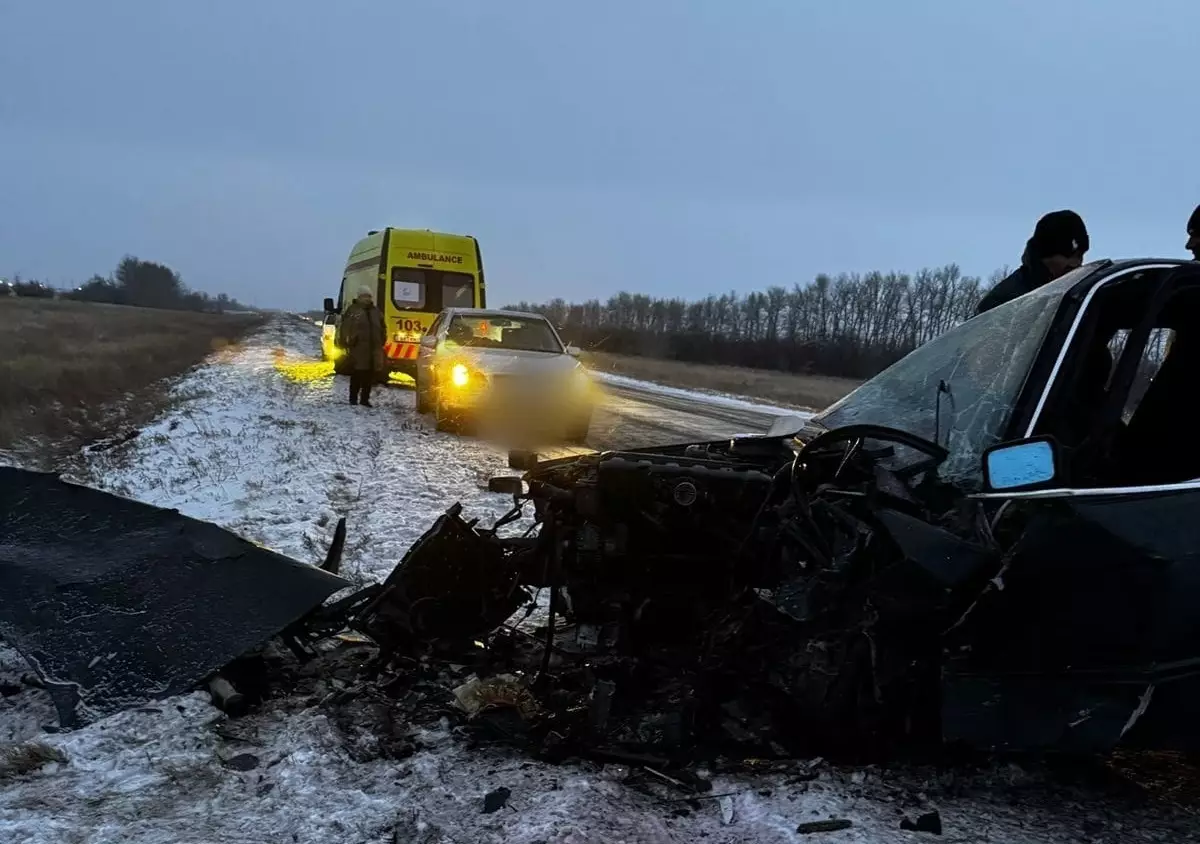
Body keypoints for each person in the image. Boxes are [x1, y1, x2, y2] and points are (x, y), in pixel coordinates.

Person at [975, 210, 1090, 315]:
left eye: (1080, 255)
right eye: (1067, 255)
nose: (1075, 263)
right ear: (1046, 256)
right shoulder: (1003, 303)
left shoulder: (1082, 297)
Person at [335, 286, 387, 406]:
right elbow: (345, 328)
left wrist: (383, 339)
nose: (367, 299)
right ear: (359, 297)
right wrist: (347, 342)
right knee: (357, 374)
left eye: (368, 296)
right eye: (364, 296)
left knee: (369, 376)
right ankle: (353, 399)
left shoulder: (375, 311)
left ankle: (365, 399)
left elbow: (382, 327)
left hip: (373, 349)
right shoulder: (353, 311)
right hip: (358, 349)